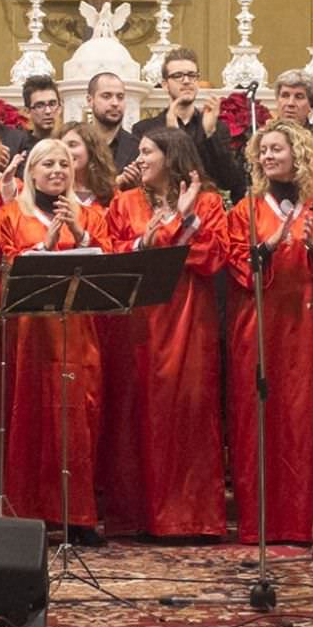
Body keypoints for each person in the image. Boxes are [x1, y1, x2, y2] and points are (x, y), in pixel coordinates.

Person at [225, 120, 313, 545]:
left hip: (309, 325)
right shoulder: (247, 210)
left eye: (277, 149)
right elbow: (236, 266)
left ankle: (306, 521)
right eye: (263, 151)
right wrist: (269, 246)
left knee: (304, 417)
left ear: (297, 153)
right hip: (259, 328)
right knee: (259, 419)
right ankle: (263, 522)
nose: (268, 156)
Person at [103, 126, 227, 538]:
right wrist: (148, 239)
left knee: (187, 408)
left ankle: (189, 516)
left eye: (147, 152)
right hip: (139, 319)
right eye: (137, 152)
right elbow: (113, 254)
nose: (138, 161)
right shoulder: (123, 204)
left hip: (189, 317)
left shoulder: (208, 202)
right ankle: (138, 517)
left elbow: (211, 257)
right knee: (137, 411)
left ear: (172, 156)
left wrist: (183, 219)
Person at [0, 137, 112, 537]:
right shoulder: (12, 214)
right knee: (32, 415)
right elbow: (6, 265)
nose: (57, 171)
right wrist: (44, 245)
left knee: (78, 417)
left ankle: (76, 515)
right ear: (33, 172)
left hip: (77, 331)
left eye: (64, 164)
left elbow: (108, 262)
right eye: (48, 164)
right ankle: (31, 512)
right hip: (31, 335)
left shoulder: (91, 215)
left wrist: (78, 233)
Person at [133, 47, 248, 199]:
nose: (186, 81)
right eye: (178, 76)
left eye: (192, 75)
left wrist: (210, 135)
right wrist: (171, 137)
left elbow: (230, 181)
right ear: (165, 84)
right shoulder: (145, 129)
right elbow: (143, 180)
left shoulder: (216, 127)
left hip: (207, 211)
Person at [86, 72, 139, 173]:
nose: (115, 103)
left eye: (120, 97)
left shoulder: (137, 147)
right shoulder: (78, 145)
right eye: (106, 96)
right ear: (90, 100)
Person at [58, 120, 118, 208]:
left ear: (91, 150)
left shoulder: (112, 194)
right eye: (61, 146)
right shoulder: (53, 193)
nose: (66, 151)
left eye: (72, 145)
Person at [21, 75, 63, 146]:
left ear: (60, 108)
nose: (48, 111)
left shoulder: (68, 143)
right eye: (40, 106)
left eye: (52, 104)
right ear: (27, 112)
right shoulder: (20, 146)